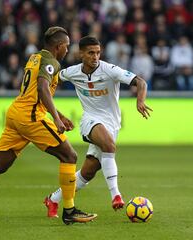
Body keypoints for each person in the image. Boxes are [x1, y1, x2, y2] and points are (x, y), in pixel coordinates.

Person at [0, 27, 97, 225]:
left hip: (16, 113)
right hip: (30, 117)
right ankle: (69, 210)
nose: (68, 50)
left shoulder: (35, 57)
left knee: (0, 165)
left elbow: (36, 90)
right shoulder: (52, 62)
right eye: (66, 46)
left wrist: (59, 114)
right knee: (70, 156)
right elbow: (42, 88)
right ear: (58, 47)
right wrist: (56, 119)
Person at [44, 36, 152, 218]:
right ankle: (116, 195)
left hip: (112, 124)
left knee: (88, 172)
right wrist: (56, 112)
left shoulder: (110, 70)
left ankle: (53, 199)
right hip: (90, 120)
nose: (95, 57)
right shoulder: (71, 72)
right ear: (81, 54)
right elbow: (49, 82)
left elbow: (141, 82)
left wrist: (140, 100)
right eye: (91, 53)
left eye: (98, 52)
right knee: (109, 146)